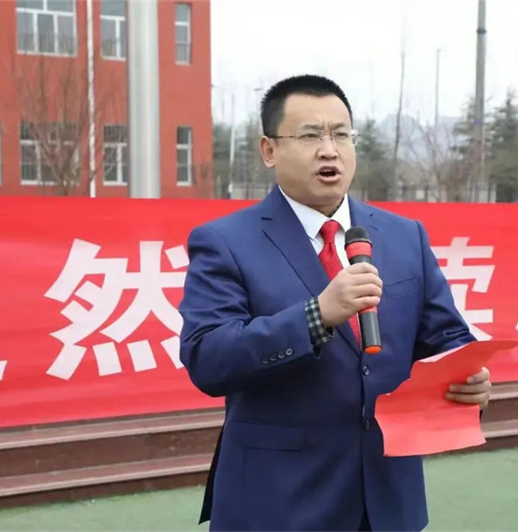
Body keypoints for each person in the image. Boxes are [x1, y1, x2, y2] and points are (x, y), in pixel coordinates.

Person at [178, 74, 491, 531]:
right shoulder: (225, 242)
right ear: (268, 150)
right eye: (310, 136)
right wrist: (316, 316)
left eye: (341, 134)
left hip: (387, 501)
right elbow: (208, 358)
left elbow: (445, 337)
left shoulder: (404, 235)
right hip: (278, 502)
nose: (330, 150)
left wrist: (470, 379)